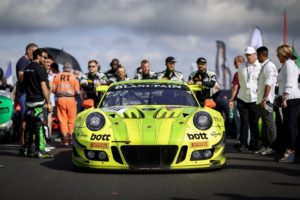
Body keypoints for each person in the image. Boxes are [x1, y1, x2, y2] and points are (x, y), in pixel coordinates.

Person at [23, 48, 53, 158]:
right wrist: (49, 102)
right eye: (44, 57)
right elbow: (44, 87)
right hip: (38, 103)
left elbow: (23, 84)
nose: (45, 60)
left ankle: (28, 150)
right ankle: (40, 151)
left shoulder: (27, 68)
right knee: (40, 127)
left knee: (29, 128)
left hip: (28, 102)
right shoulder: (40, 69)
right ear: (38, 56)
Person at [276, 44, 300, 163]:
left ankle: (290, 151)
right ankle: (293, 151)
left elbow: (290, 82)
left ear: (283, 54)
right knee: (293, 126)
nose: (277, 56)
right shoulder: (291, 64)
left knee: (289, 126)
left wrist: (284, 98)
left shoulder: (288, 64)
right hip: (293, 97)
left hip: (290, 98)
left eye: (278, 54)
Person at [235, 46, 261, 152]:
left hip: (255, 98)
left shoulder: (261, 67)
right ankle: (243, 144)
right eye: (247, 55)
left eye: (250, 55)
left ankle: (254, 144)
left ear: (255, 55)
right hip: (242, 98)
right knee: (244, 122)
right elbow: (240, 83)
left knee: (254, 122)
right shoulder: (241, 67)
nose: (248, 57)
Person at [15, 43, 39, 155]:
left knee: (29, 120)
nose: (36, 54)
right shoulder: (23, 61)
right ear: (29, 50)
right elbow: (20, 78)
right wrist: (31, 74)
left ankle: (26, 144)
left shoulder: (29, 62)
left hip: (28, 94)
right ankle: (22, 144)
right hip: (23, 94)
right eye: (35, 52)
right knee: (24, 120)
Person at [254, 46, 278, 155]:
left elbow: (269, 84)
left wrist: (264, 99)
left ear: (262, 55)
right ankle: (265, 145)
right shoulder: (265, 66)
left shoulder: (270, 67)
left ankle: (272, 147)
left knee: (269, 123)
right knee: (264, 124)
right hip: (261, 100)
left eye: (257, 55)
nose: (257, 58)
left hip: (266, 100)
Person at [52, 63, 80, 146]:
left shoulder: (56, 76)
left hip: (60, 99)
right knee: (71, 119)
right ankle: (71, 138)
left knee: (62, 119)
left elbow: (53, 89)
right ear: (70, 69)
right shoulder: (74, 77)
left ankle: (65, 139)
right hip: (71, 99)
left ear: (63, 68)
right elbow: (77, 91)